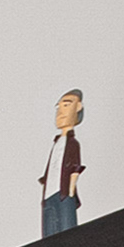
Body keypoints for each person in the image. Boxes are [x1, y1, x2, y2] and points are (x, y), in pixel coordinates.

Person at [40, 89, 88, 236]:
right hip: (49, 193)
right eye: (59, 108)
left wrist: (71, 187)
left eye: (66, 106)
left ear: (78, 107)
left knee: (66, 228)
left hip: (64, 191)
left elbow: (75, 166)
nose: (60, 112)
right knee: (49, 226)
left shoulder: (72, 143)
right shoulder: (57, 143)